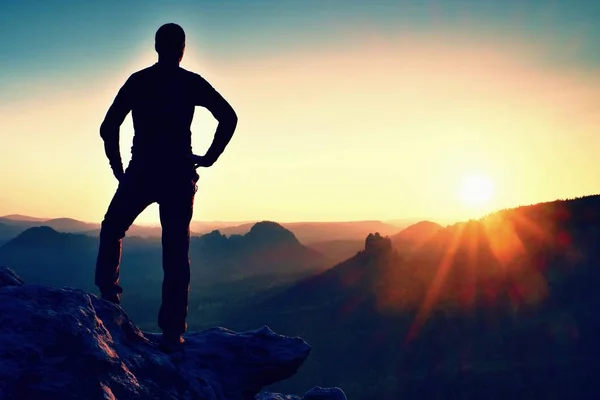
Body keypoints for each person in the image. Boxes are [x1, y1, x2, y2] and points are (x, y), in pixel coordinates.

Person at [94, 23, 238, 352]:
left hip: (142, 169)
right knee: (175, 253)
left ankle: (108, 298)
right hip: (177, 173)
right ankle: (173, 333)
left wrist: (117, 168)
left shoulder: (139, 81)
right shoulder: (191, 83)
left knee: (112, 227)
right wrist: (210, 156)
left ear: (157, 47)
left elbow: (108, 127)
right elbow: (228, 117)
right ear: (182, 49)